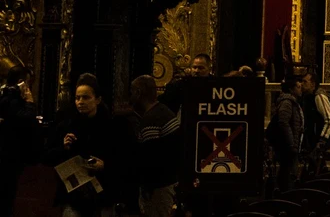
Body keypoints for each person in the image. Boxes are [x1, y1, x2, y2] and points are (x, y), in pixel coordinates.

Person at [47, 74, 129, 217]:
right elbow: (48, 157)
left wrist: (104, 165)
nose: (80, 102)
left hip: (103, 192)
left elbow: (124, 159)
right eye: (77, 98)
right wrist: (63, 148)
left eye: (86, 97)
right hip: (74, 195)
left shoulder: (111, 127)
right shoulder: (66, 125)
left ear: (97, 100)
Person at [127, 75, 179, 217]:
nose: (130, 97)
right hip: (170, 181)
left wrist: (146, 187)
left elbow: (150, 160)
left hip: (159, 188)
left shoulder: (151, 120)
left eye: (132, 92)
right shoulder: (164, 111)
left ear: (138, 92)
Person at [0, 66, 36, 217]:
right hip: (8, 159)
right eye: (27, 83)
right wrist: (30, 103)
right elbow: (27, 121)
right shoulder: (14, 102)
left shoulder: (5, 97)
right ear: (21, 82)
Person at [268, 74, 304, 193]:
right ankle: (285, 191)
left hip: (290, 141)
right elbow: (283, 122)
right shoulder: (287, 102)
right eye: (298, 87)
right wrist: (291, 142)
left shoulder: (292, 102)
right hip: (286, 143)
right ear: (291, 89)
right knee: (286, 169)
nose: (301, 89)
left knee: (287, 168)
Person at [300, 71, 330, 174]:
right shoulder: (307, 97)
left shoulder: (319, 97)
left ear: (313, 84)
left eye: (305, 82)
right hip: (311, 140)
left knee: (318, 168)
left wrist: (322, 139)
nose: (302, 84)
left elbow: (329, 119)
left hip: (318, 140)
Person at [157, 52, 210, 117]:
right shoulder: (180, 85)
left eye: (201, 68)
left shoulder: (215, 85)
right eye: (194, 67)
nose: (196, 71)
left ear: (208, 69)